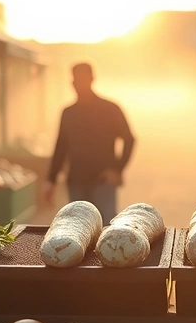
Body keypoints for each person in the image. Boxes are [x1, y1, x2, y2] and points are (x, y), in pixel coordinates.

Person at [44, 61, 135, 222]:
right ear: (71, 82)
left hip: (103, 181)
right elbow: (61, 147)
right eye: (76, 79)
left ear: (92, 79)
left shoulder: (110, 109)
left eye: (83, 79)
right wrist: (51, 180)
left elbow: (129, 139)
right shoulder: (68, 113)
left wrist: (117, 169)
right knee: (80, 227)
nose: (79, 83)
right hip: (76, 181)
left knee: (106, 229)